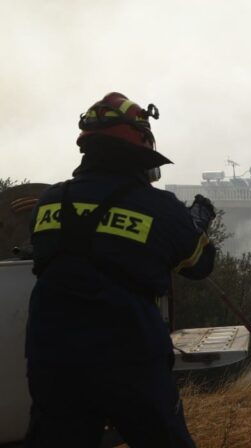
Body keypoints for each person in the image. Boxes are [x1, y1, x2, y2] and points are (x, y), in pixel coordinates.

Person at [24, 92, 216, 447]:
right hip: (129, 353)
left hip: (51, 352)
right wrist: (198, 221)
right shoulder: (160, 207)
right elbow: (199, 264)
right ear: (140, 153)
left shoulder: (49, 201)